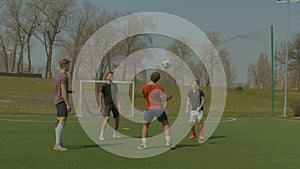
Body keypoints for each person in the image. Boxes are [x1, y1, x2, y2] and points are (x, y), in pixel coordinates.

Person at [138, 72, 176, 149]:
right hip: (159, 109)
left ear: (150, 77)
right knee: (166, 124)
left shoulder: (144, 87)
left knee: (145, 125)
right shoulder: (159, 88)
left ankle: (143, 144)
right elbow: (163, 100)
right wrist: (169, 97)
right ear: (158, 79)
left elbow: (144, 96)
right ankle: (168, 142)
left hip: (149, 109)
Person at [53, 58, 72, 151]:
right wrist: (67, 104)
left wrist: (70, 91)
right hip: (61, 101)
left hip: (57, 100)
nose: (69, 67)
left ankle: (58, 142)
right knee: (63, 120)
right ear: (64, 65)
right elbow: (63, 90)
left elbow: (60, 89)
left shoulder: (58, 76)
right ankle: (57, 145)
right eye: (68, 65)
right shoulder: (64, 77)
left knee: (60, 121)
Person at [98, 72, 121, 140]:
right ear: (107, 77)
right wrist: (100, 106)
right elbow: (100, 96)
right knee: (107, 118)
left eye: (112, 76)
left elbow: (116, 95)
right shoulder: (104, 86)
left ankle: (115, 134)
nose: (111, 77)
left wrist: (119, 104)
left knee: (117, 119)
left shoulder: (114, 85)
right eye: (110, 76)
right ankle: (101, 134)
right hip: (107, 104)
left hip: (115, 105)